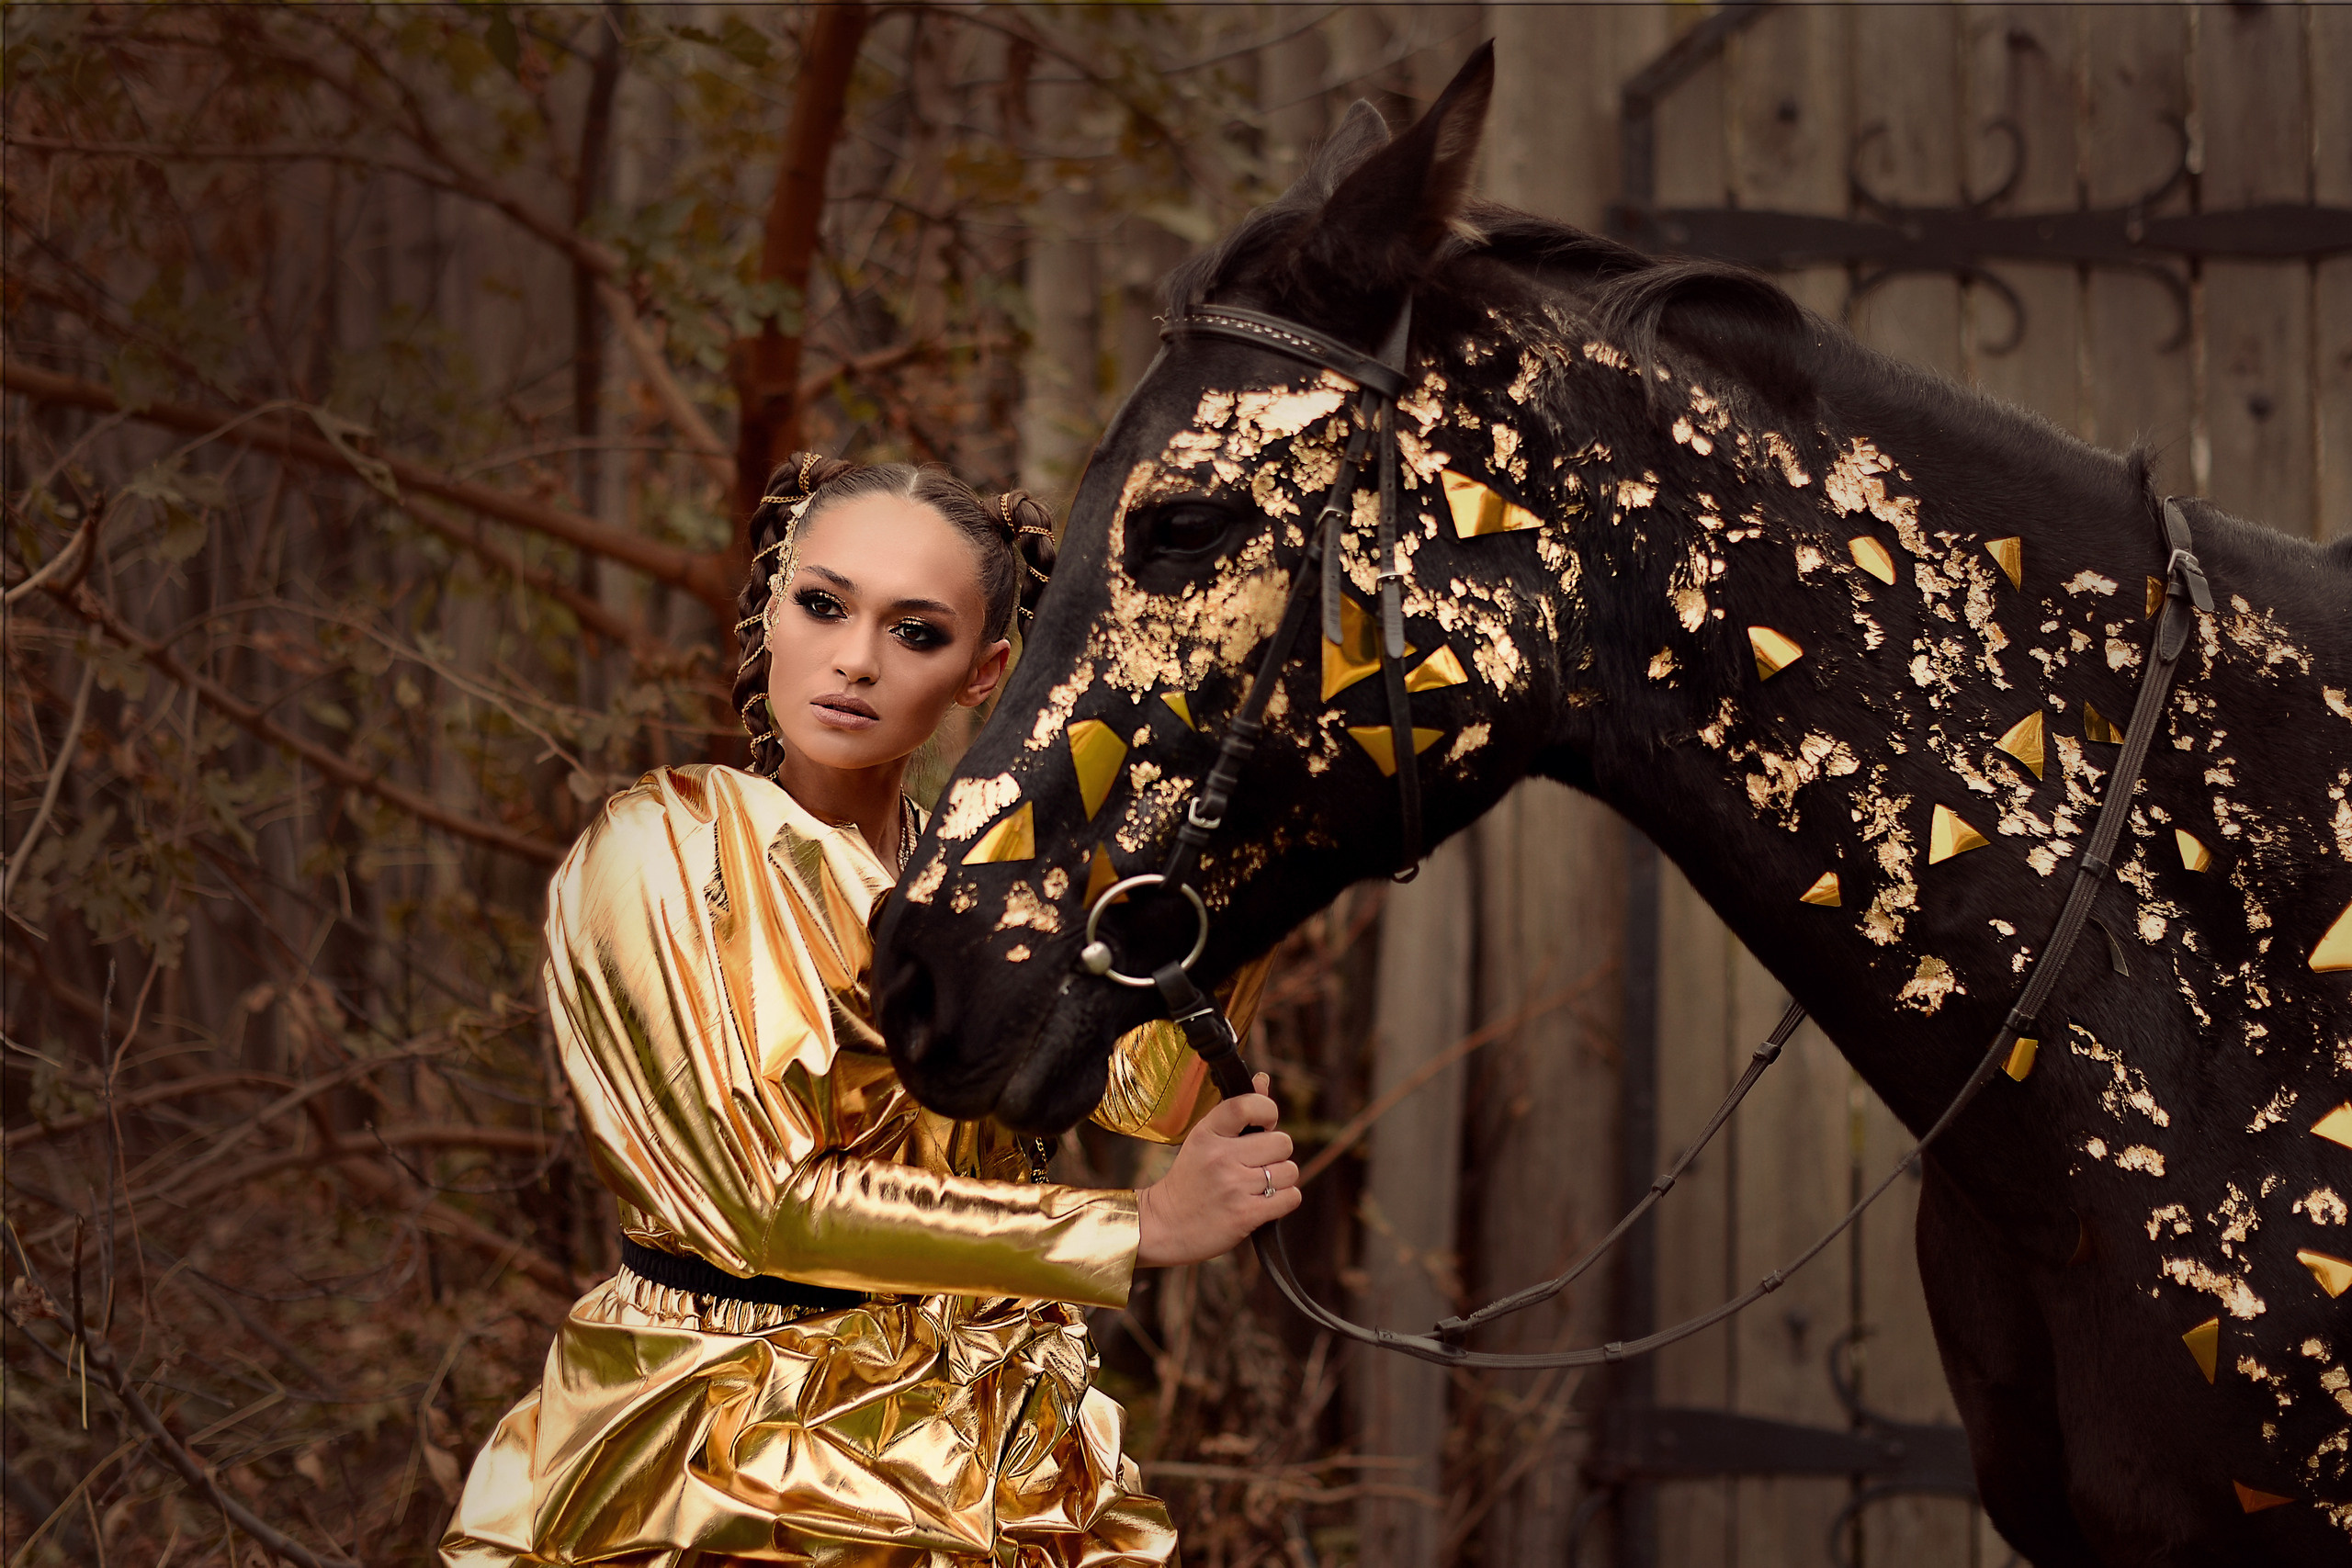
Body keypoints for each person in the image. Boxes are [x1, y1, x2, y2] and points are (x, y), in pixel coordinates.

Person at [441, 455, 1298, 1568]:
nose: (853, 659)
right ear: (771, 607)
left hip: (994, 1435)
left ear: (983, 672)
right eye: (823, 605)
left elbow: (1144, 1099)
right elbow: (760, 1206)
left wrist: (1247, 852)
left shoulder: (993, 881)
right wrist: (1139, 1227)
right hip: (725, 1448)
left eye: (916, 632)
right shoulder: (664, 846)